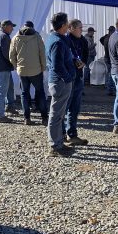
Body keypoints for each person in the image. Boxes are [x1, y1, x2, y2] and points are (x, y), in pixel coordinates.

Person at [45, 12, 76, 157]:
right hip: (60, 82)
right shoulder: (57, 41)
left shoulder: (56, 38)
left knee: (58, 114)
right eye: (67, 23)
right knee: (56, 115)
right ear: (63, 25)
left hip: (59, 81)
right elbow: (57, 65)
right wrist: (68, 78)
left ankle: (58, 143)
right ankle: (55, 146)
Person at [9, 21, 48, 126]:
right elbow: (42, 53)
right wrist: (43, 67)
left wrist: (17, 66)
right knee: (40, 93)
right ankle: (44, 118)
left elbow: (11, 56)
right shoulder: (37, 37)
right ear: (32, 27)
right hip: (36, 70)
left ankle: (27, 118)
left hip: (22, 71)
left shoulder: (16, 38)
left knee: (24, 94)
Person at [64, 19, 89, 145]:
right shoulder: (65, 40)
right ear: (71, 28)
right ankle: (61, 134)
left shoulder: (82, 39)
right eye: (79, 27)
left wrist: (83, 61)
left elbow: (86, 52)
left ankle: (72, 134)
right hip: (69, 78)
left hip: (78, 77)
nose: (81, 30)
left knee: (75, 107)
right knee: (65, 107)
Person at [0, 20, 16, 123]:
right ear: (5, 26)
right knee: (1, 92)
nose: (12, 29)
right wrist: (14, 63)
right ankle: (0, 115)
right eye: (11, 26)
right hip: (2, 68)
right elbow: (7, 54)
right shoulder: (4, 36)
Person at [100, 26, 116, 95]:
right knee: (111, 73)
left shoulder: (106, 37)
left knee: (108, 72)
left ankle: (107, 86)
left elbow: (101, 39)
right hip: (110, 58)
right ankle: (110, 89)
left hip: (106, 57)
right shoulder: (111, 38)